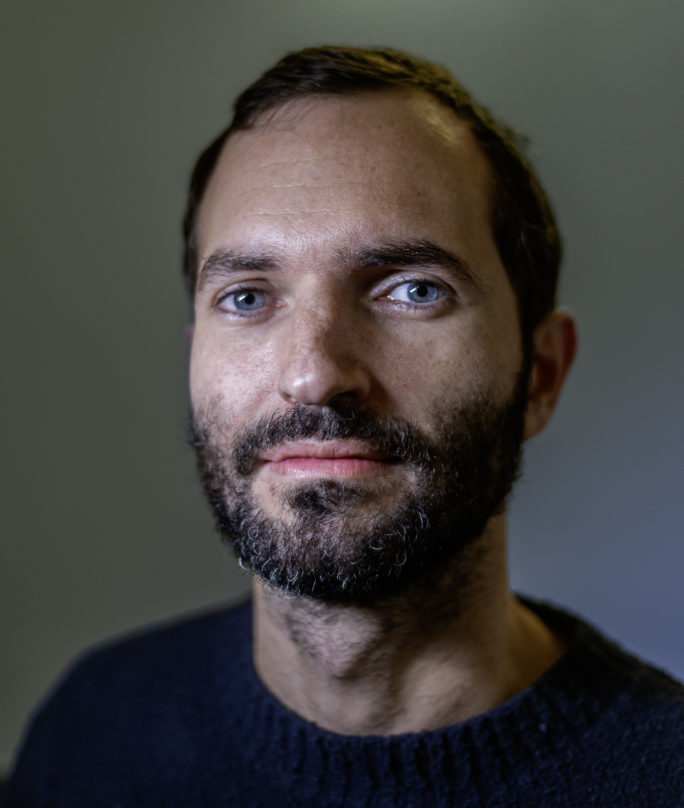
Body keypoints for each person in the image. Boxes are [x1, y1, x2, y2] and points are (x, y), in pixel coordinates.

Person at [3, 46, 683, 807]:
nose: (315, 374)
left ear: (541, 374)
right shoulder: (92, 731)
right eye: (248, 297)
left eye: (413, 290)